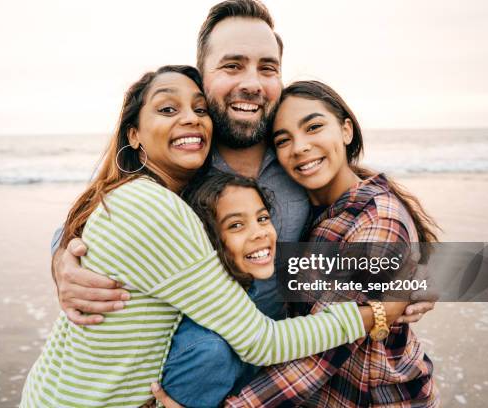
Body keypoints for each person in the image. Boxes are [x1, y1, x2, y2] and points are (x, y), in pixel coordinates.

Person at [50, 0, 437, 404]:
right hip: (201, 372)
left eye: (267, 68)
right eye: (232, 65)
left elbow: (364, 213)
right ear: (202, 76)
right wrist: (62, 262)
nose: (252, 83)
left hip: (286, 368)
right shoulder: (184, 154)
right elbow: (97, 217)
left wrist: (425, 274)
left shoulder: (295, 154)